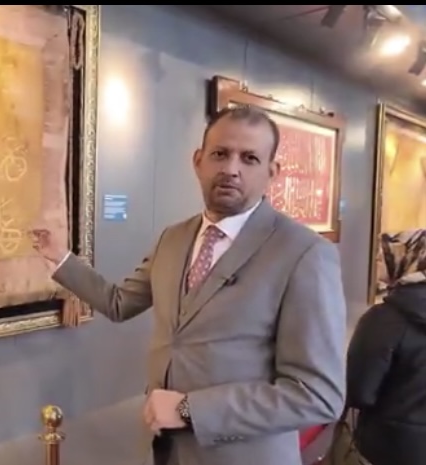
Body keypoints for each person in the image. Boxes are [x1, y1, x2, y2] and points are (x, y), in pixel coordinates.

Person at [30, 105, 346, 465]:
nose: (231, 169)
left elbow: (317, 396)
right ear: (198, 161)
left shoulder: (303, 253)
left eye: (250, 158)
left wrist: (189, 408)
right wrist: (61, 259)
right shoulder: (173, 238)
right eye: (220, 154)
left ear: (271, 172)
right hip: (167, 450)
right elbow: (119, 303)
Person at [346, 229, 426, 465]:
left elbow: (360, 392)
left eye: (382, 256)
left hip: (391, 447)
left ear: (406, 259)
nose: (377, 262)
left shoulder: (383, 319)